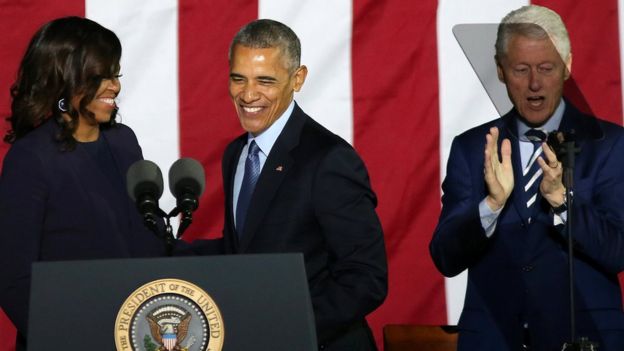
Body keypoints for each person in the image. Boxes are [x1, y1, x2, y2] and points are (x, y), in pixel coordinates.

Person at [430, 5, 624, 351]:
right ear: (501, 71)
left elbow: (618, 250)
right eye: (521, 69)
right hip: (493, 340)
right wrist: (490, 205)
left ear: (567, 66)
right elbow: (445, 257)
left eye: (546, 68)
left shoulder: (609, 145)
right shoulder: (473, 148)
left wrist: (563, 203)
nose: (534, 83)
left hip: (584, 338)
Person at [220, 19, 387, 350]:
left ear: (298, 79)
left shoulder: (329, 159)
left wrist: (290, 327)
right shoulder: (236, 153)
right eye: (239, 79)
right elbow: (246, 249)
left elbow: (366, 278)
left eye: (265, 81)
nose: (248, 94)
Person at [0, 17, 165, 350]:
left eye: (115, 74)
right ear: (62, 78)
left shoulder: (124, 142)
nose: (114, 86)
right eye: (100, 76)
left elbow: (148, 244)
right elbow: (14, 279)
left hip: (133, 336)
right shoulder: (30, 159)